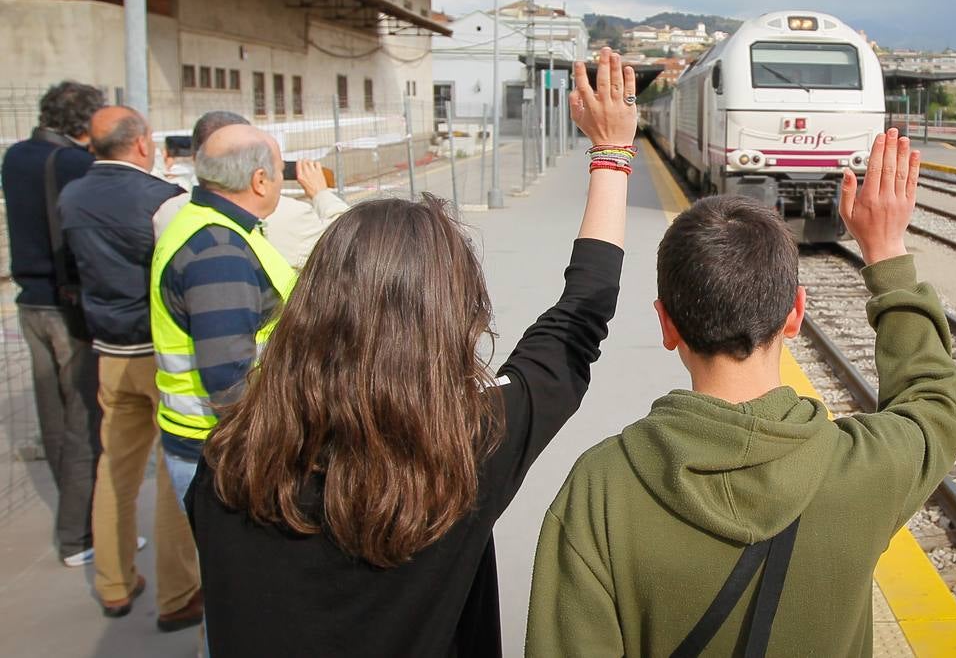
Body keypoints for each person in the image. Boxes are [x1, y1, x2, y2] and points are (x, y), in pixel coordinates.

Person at [186, 56, 638, 657]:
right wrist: (611, 153)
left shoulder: (226, 466)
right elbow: (580, 316)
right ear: (451, 320)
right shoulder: (465, 450)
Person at [526, 129, 956, 657]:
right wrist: (886, 252)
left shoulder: (599, 489)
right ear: (795, 316)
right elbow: (933, 402)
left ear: (666, 326)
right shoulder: (866, 470)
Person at [58, 106, 202, 629]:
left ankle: (114, 584)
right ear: (142, 144)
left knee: (114, 470)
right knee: (172, 474)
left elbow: (68, 273)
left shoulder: (71, 196)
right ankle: (178, 594)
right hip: (159, 355)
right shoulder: (163, 200)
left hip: (109, 352)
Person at [150, 123, 295, 506]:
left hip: (207, 440)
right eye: (280, 172)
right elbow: (229, 377)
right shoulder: (218, 251)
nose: (283, 181)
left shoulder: (207, 225)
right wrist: (267, 451)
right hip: (222, 446)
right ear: (260, 180)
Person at [1, 81, 104, 567]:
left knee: (54, 418)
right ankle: (79, 535)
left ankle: (74, 520)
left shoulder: (16, 156)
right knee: (85, 418)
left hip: (30, 304)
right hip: (69, 307)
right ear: (85, 124)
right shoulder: (75, 165)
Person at [154, 110, 349, 269]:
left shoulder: (167, 212)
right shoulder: (288, 214)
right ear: (259, 177)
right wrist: (321, 194)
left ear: (197, 159)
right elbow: (349, 245)